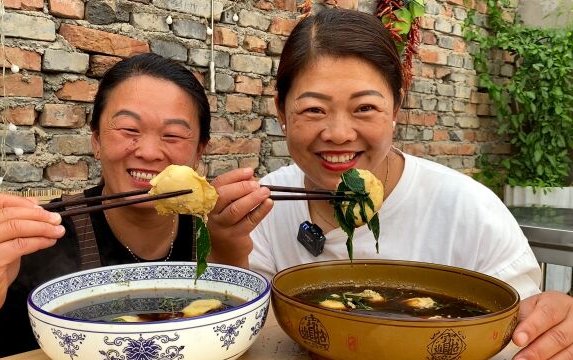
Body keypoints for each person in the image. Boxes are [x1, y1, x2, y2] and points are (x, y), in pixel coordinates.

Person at [210, 8, 573, 360]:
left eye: (365, 108)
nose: (338, 133)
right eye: (313, 110)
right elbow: (242, 334)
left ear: (396, 108)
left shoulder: (469, 208)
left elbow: (524, 325)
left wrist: (555, 323)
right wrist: (225, 250)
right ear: (281, 112)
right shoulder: (263, 207)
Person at [0, 53, 261, 358]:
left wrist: (229, 253)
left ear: (199, 151)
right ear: (96, 140)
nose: (148, 151)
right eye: (129, 129)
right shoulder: (39, 239)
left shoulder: (211, 231)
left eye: (173, 135)